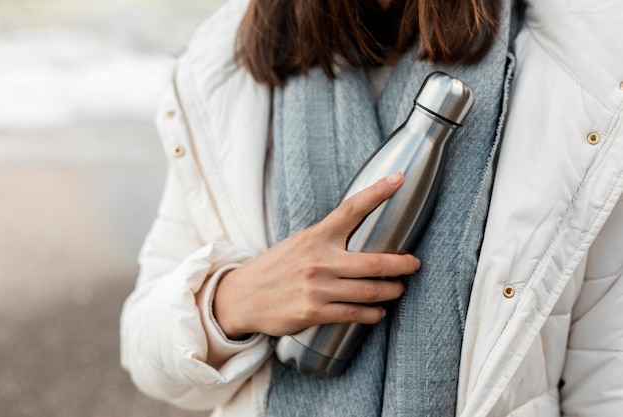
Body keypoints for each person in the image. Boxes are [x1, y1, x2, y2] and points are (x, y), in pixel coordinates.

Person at [120, 0, 623, 415]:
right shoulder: (224, 73)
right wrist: (233, 300)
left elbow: (606, 376)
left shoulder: (583, 75)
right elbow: (144, 352)